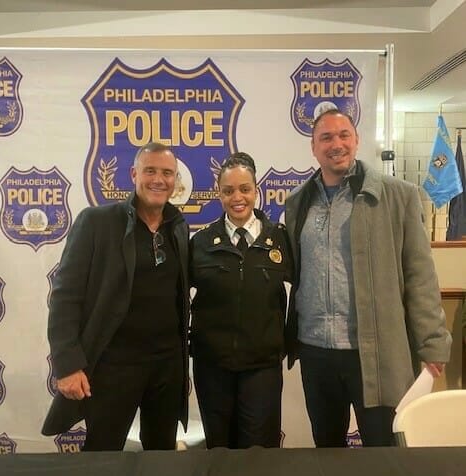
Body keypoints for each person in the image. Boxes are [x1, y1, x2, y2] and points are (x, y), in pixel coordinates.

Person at [285, 109, 451, 448]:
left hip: (374, 352)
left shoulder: (397, 195)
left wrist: (432, 343)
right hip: (316, 352)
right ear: (313, 147)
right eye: (326, 137)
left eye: (344, 135)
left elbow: (420, 276)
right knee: (326, 451)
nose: (336, 144)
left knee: (382, 451)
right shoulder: (297, 203)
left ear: (357, 140)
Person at [42, 142, 189, 451]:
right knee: (103, 453)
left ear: (175, 181)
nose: (158, 180)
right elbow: (65, 297)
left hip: (166, 366)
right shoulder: (96, 222)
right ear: (134, 174)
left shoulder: (178, 227)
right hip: (113, 366)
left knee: (161, 454)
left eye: (167, 173)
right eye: (150, 171)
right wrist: (67, 364)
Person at [190, 152, 293, 449]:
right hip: (213, 368)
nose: (238, 197)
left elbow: (303, 292)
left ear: (256, 190)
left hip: (262, 368)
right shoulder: (201, 243)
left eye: (245, 189)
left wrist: (290, 342)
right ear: (218, 194)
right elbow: (174, 298)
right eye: (228, 190)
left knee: (259, 455)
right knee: (219, 451)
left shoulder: (280, 240)